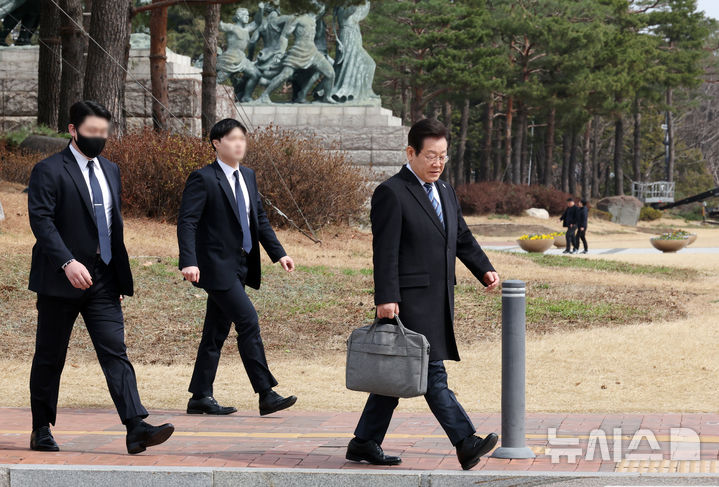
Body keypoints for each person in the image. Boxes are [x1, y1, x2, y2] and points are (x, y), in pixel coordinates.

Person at [345, 118, 500, 471]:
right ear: (411, 152)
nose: (437, 163)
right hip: (406, 302)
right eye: (430, 156)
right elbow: (384, 251)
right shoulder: (392, 192)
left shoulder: (445, 191)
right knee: (430, 372)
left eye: (443, 156)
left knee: (397, 370)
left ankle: (365, 442)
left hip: (439, 299)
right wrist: (385, 298)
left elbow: (461, 237)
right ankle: (466, 441)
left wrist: (483, 269)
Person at [26, 100, 174, 454]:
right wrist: (67, 262)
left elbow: (111, 226)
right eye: (92, 131)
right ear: (73, 130)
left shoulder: (111, 170)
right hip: (60, 278)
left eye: (104, 132)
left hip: (104, 280)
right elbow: (41, 222)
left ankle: (136, 427)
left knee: (115, 351)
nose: (99, 138)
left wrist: (115, 273)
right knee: (50, 355)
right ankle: (41, 428)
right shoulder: (49, 169)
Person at [177, 118, 298, 417]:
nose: (239, 143)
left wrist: (278, 253)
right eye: (232, 138)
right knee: (248, 321)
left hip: (241, 265)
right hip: (216, 268)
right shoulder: (203, 178)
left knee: (215, 333)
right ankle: (266, 393)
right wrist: (188, 261)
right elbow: (187, 221)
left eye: (242, 138)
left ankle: (200, 396)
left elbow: (259, 218)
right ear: (217, 143)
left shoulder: (248, 176)